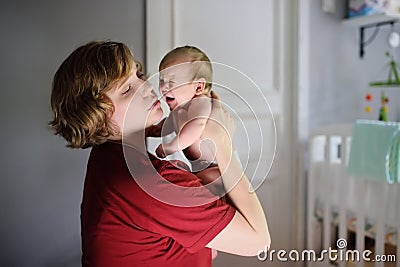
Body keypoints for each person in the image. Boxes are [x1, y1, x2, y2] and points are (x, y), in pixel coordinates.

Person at [49, 40, 270, 267]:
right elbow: (258, 241)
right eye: (126, 90)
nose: (146, 87)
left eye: (139, 75)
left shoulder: (108, 155)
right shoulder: (150, 183)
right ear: (97, 118)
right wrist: (223, 143)